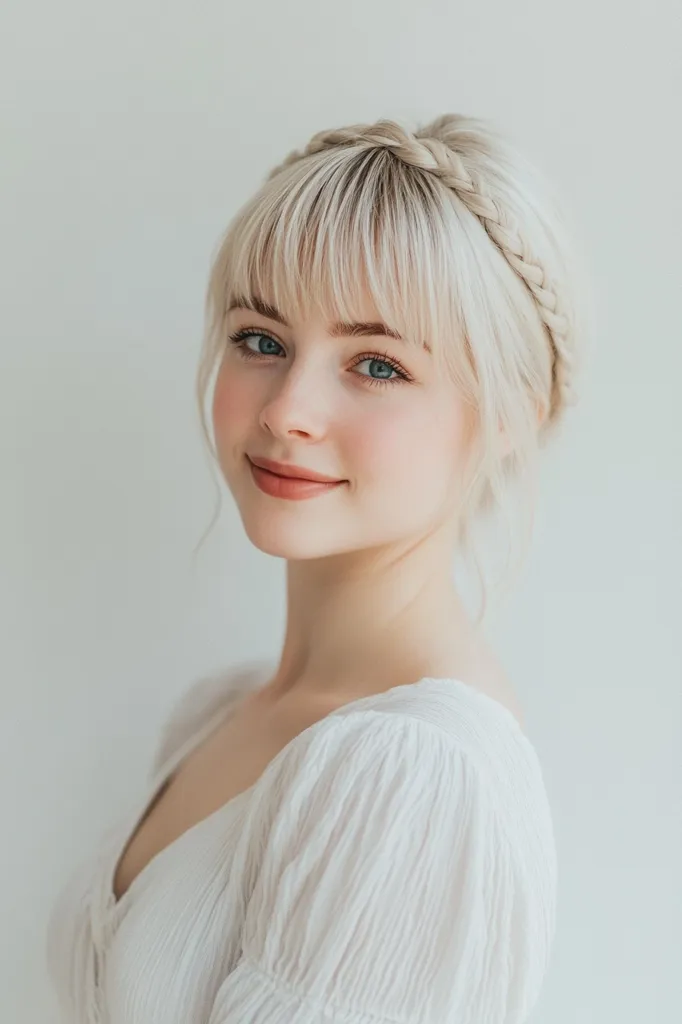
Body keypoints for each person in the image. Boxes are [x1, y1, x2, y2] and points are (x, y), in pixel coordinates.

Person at [47, 113, 584, 1023]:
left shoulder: (416, 774)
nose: (289, 408)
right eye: (261, 340)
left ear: (508, 418)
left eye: (376, 364)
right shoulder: (218, 712)